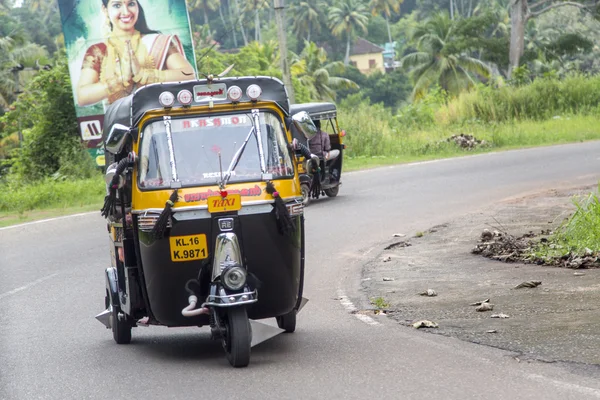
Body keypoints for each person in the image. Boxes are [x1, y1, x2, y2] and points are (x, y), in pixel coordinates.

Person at [76, 0, 196, 107]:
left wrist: (143, 74)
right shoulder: (98, 51)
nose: (126, 12)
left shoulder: (159, 42)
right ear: (105, 9)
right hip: (119, 124)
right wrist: (119, 80)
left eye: (131, 4)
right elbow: (82, 97)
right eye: (117, 5)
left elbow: (189, 75)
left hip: (158, 118)